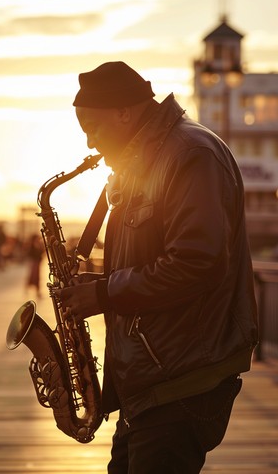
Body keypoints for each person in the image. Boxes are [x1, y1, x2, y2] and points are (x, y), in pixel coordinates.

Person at [59, 61, 259, 473]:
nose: (89, 141)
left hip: (180, 378)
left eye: (92, 126)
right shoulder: (148, 159)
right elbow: (159, 259)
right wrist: (98, 284)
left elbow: (197, 262)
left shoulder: (190, 154)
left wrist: (103, 293)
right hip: (153, 379)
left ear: (125, 113)